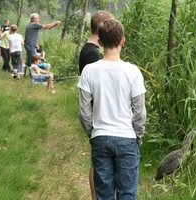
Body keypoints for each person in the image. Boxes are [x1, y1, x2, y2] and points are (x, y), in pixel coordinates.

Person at [77, 19, 146, 199]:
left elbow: (84, 111)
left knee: (103, 194)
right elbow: (140, 111)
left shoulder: (89, 71)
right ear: (122, 40)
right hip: (127, 138)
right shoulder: (133, 72)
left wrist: (93, 133)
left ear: (99, 42)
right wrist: (137, 136)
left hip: (100, 136)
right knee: (127, 194)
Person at [78, 11, 114, 200]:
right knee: (97, 163)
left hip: (96, 114)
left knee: (97, 160)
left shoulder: (91, 49)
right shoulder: (92, 54)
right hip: (96, 115)